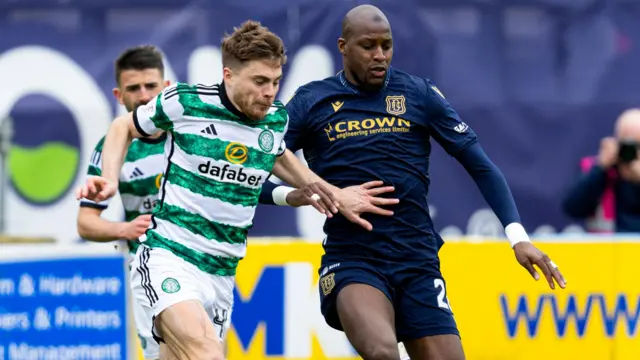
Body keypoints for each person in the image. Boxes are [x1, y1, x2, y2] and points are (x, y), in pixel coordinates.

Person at [259, 5, 567, 360]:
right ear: (343, 46)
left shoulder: (418, 94)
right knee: (382, 352)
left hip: (417, 261)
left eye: (386, 46)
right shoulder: (311, 101)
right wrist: (298, 195)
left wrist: (518, 238)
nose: (380, 56)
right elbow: (253, 173)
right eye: (368, 46)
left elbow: (480, 165)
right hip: (353, 259)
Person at [76, 20, 396, 360]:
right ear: (228, 75)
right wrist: (110, 179)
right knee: (208, 354)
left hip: (222, 273)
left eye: (275, 82)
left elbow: (277, 157)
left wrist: (329, 193)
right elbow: (123, 124)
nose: (270, 92)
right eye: (259, 81)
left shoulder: (274, 120)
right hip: (170, 256)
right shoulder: (186, 103)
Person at [77, 45, 169, 360]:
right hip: (147, 263)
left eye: (151, 86)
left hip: (202, 260)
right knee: (162, 353)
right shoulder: (112, 146)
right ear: (119, 95)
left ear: (166, 88)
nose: (143, 96)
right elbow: (86, 222)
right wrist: (124, 228)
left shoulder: (190, 132)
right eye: (133, 88)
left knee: (208, 348)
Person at [563, 108, 640, 233]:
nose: (631, 153)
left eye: (638, 146)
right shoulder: (599, 170)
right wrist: (600, 169)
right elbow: (572, 208)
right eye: (626, 145)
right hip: (606, 250)